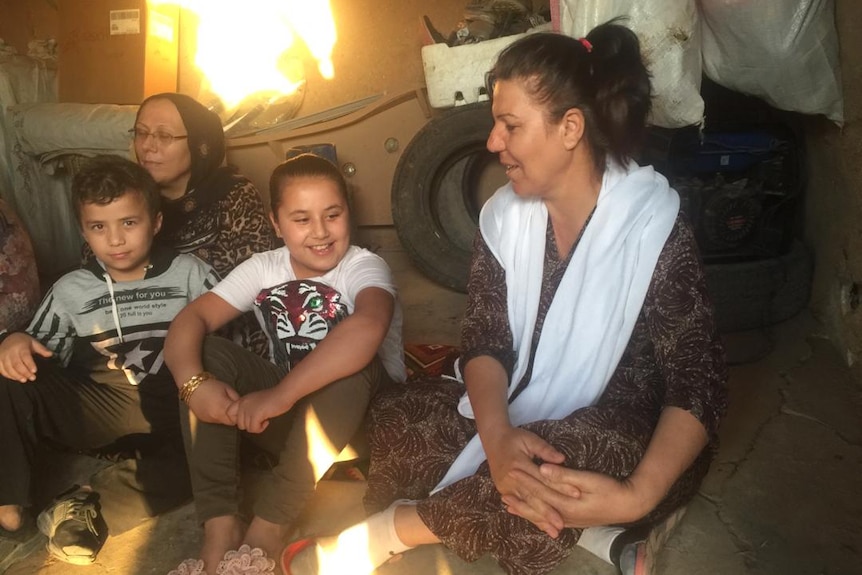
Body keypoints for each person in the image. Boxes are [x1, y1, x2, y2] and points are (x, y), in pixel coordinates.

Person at [280, 23, 728, 575]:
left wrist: (638, 492)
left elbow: (697, 380)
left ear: (570, 128)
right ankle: (603, 535)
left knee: (557, 468)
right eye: (496, 123)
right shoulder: (504, 218)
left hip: (625, 423)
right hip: (524, 398)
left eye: (510, 126)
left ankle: (385, 535)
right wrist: (496, 439)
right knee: (403, 421)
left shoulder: (651, 224)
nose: (492, 142)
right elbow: (485, 339)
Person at [164, 153, 405, 574]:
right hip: (293, 427)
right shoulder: (264, 268)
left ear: (349, 212)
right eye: (301, 219)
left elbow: (367, 327)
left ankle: (269, 527)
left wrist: (278, 395)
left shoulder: (364, 266)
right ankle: (220, 527)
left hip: (364, 427)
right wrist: (193, 384)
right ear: (276, 224)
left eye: (333, 214)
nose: (320, 232)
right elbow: (191, 319)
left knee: (353, 360)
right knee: (208, 353)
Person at [0, 155, 219, 564]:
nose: (115, 240)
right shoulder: (71, 288)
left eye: (128, 223)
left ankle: (84, 504)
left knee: (212, 460)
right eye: (99, 227)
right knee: (8, 373)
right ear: (84, 231)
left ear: (155, 222)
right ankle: (8, 504)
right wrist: (11, 340)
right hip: (101, 405)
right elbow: (37, 351)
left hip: (177, 402)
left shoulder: (191, 274)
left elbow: (230, 339)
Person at [84, 92, 278, 355]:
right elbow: (93, 268)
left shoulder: (232, 195)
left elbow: (249, 289)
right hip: (129, 333)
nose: (148, 147)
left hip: (216, 339)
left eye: (164, 136)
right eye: (141, 133)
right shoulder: (124, 196)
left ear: (201, 144)